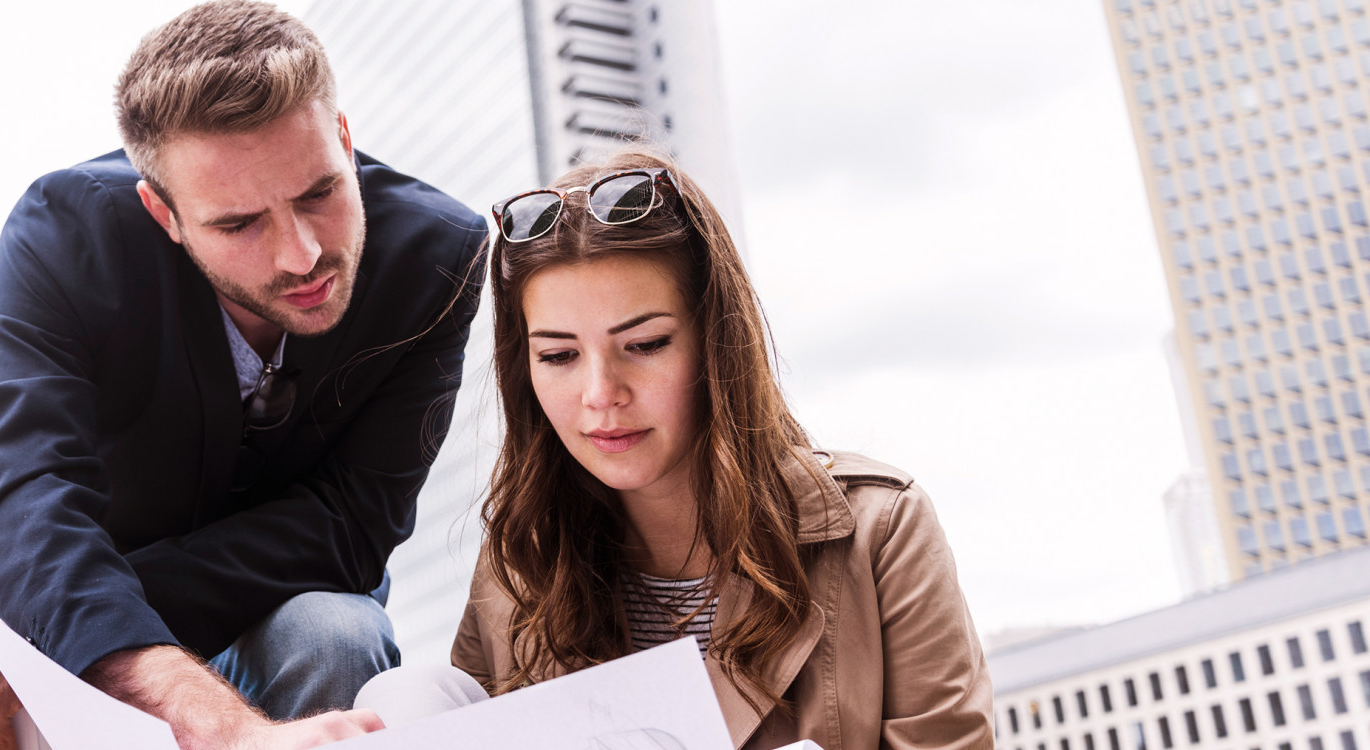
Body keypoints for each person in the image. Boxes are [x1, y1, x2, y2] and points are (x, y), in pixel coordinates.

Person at [0, 3, 486, 750]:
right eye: (239, 225)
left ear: (343, 138)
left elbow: (352, 521)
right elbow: (18, 488)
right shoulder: (64, 234)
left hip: (281, 619)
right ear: (162, 211)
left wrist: (83, 635)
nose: (301, 256)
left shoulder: (439, 257)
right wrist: (69, 636)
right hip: (42, 605)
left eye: (319, 194)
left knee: (337, 630)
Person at [356, 149, 994, 750]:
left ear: (715, 341)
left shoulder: (880, 529)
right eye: (558, 356)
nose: (601, 395)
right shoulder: (520, 565)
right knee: (407, 697)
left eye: (646, 344)